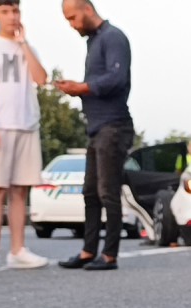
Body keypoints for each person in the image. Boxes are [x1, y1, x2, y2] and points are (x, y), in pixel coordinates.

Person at [0, 0, 50, 270]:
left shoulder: (28, 48)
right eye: (5, 12)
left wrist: (24, 44)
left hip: (25, 124)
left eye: (15, 11)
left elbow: (41, 79)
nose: (11, 16)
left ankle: (18, 249)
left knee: (20, 190)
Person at [55, 0, 134, 272]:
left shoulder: (113, 37)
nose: (71, 24)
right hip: (97, 128)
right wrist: (79, 88)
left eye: (72, 17)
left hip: (114, 126)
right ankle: (89, 250)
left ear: (87, 9)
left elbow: (117, 78)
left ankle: (109, 255)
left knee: (107, 192)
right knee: (90, 192)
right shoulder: (94, 42)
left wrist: (82, 87)